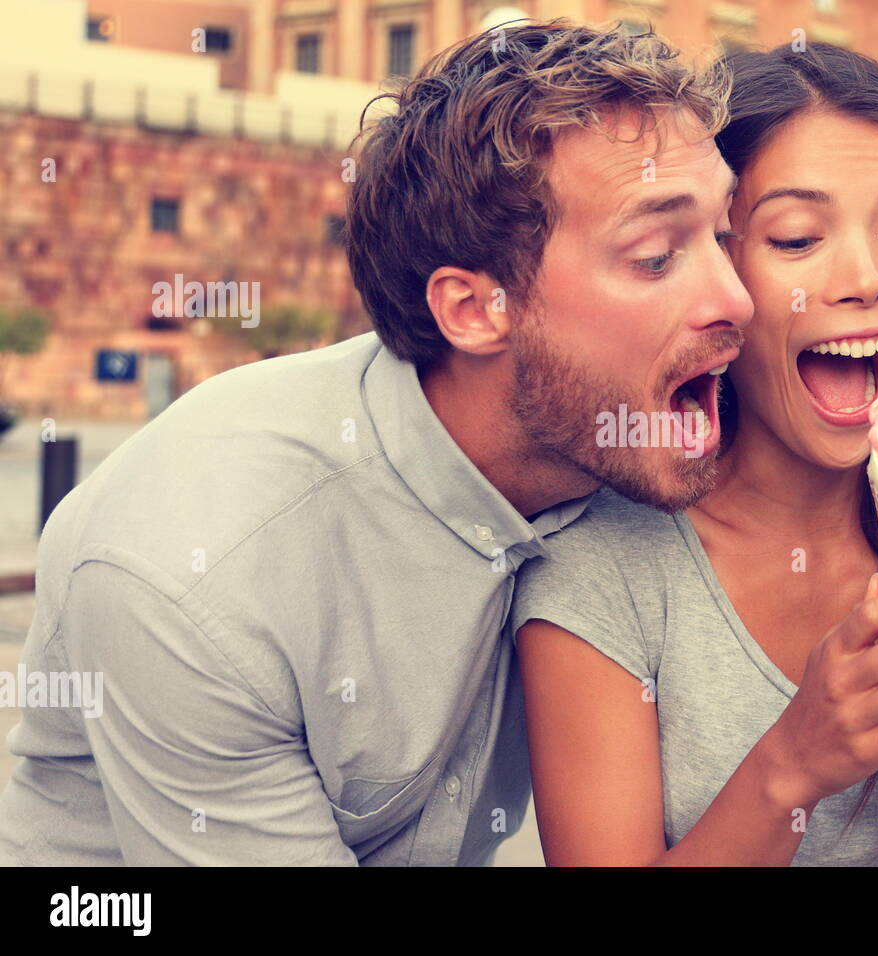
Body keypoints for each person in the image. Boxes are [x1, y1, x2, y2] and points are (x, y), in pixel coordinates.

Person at [0, 22, 752, 865]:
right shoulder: (198, 575)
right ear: (473, 311)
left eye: (724, 235)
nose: (737, 298)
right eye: (656, 255)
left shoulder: (622, 445)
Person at [512, 44, 878, 866]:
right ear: (715, 272)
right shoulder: (597, 553)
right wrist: (795, 764)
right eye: (798, 238)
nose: (866, 276)